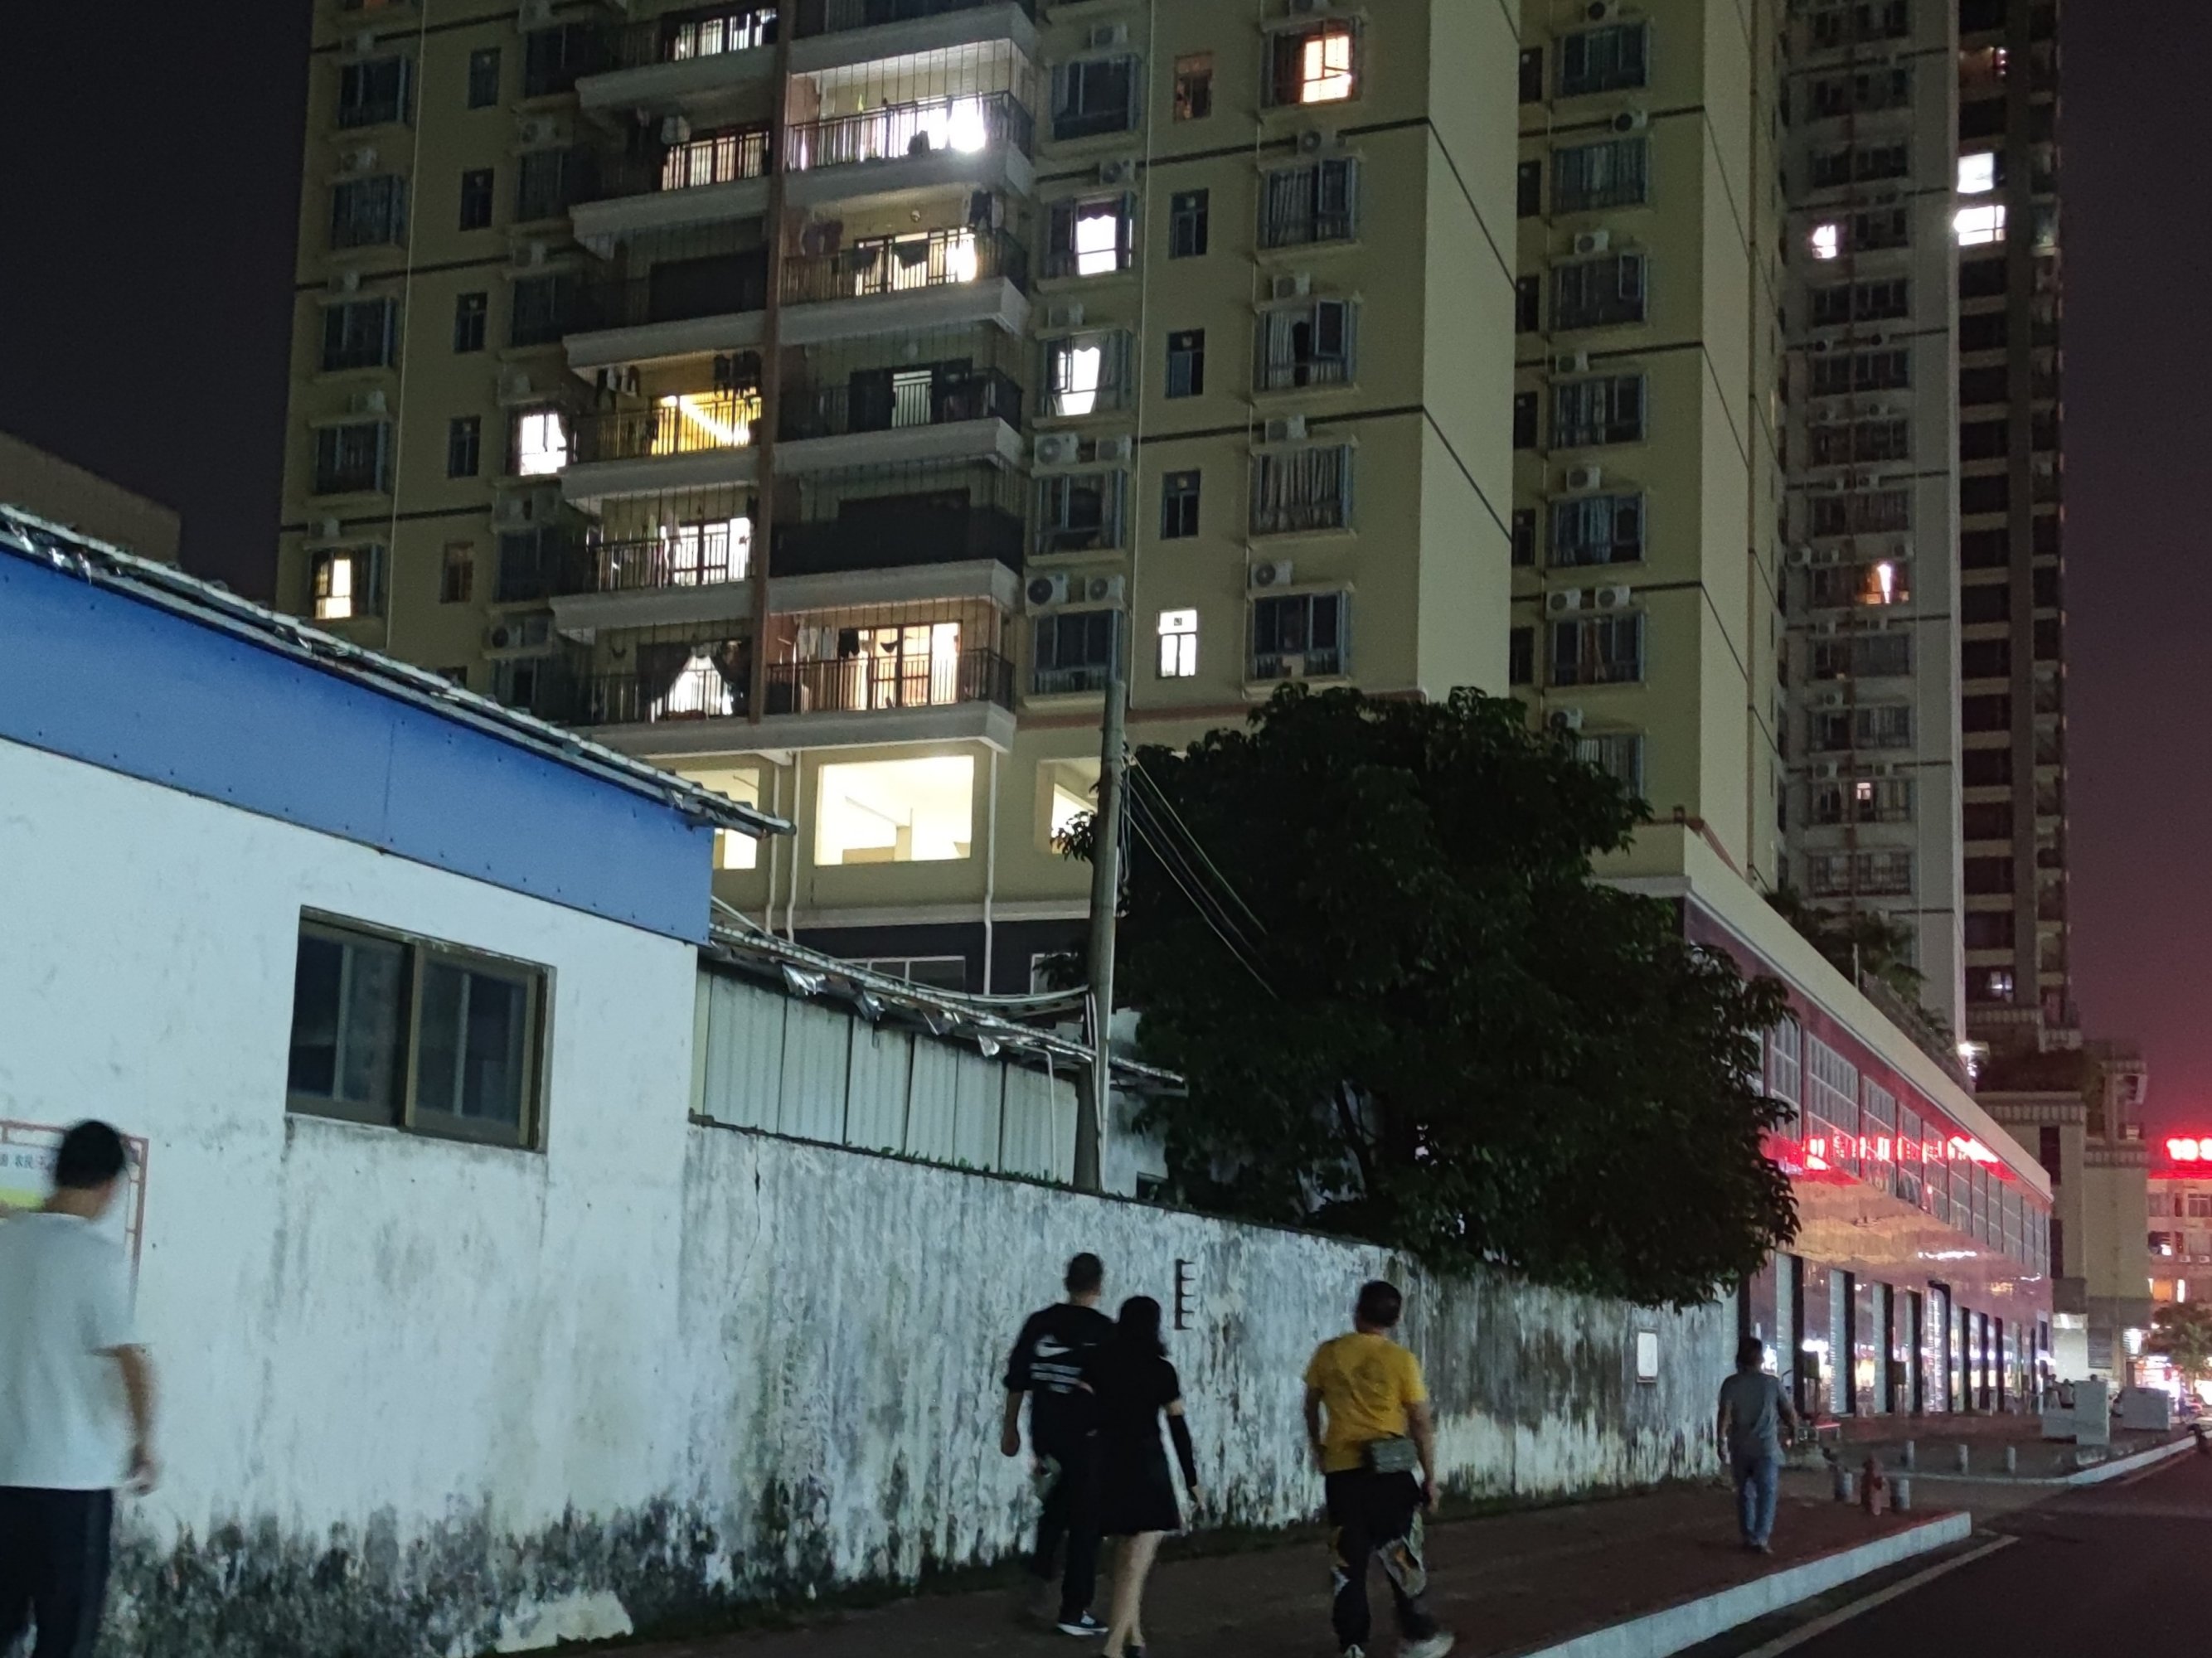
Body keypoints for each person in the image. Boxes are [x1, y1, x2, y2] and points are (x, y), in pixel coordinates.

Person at [0, 1121, 158, 1658]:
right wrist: (144, 1444)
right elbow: (133, 1363)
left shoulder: (6, 1243)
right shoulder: (97, 1259)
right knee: (66, 1640)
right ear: (110, 1186)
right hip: (72, 1481)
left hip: (3, 1473)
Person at [1304, 1281, 1453, 1658]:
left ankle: (1352, 1645)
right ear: (1396, 1319)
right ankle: (1418, 1636)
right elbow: (1420, 1422)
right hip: (1391, 1474)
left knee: (1347, 1562)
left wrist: (1319, 1448)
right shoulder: (1402, 1360)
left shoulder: (1328, 1353)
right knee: (1401, 1555)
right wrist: (1430, 1478)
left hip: (1343, 1475)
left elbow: (1310, 1405)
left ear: (1357, 1311)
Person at [1080, 1296, 1201, 1658]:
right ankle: (1113, 1648)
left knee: (1125, 1555)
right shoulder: (1161, 1370)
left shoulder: (1097, 1362)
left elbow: (1080, 1411)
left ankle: (1134, 1638)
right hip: (1147, 1465)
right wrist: (1192, 1479)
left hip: (1109, 1461)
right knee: (1136, 1563)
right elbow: (1178, 1427)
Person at [1002, 1252, 1116, 1636]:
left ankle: (1037, 1588)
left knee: (1053, 1512)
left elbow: (1017, 1379)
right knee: (1086, 1522)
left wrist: (1010, 1430)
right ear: (1098, 1286)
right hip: (1088, 1440)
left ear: (1067, 1282)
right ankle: (1073, 1610)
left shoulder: (1040, 1324)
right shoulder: (1105, 1332)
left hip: (1046, 1436)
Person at [1716, 1336, 1799, 1554]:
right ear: (1761, 1358)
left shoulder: (1731, 1384)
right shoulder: (1772, 1384)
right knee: (1767, 1493)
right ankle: (1761, 1538)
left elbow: (1724, 1416)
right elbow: (1789, 1413)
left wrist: (1721, 1442)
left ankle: (1748, 1535)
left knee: (1745, 1492)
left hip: (1740, 1448)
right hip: (1766, 1448)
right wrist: (1794, 1433)